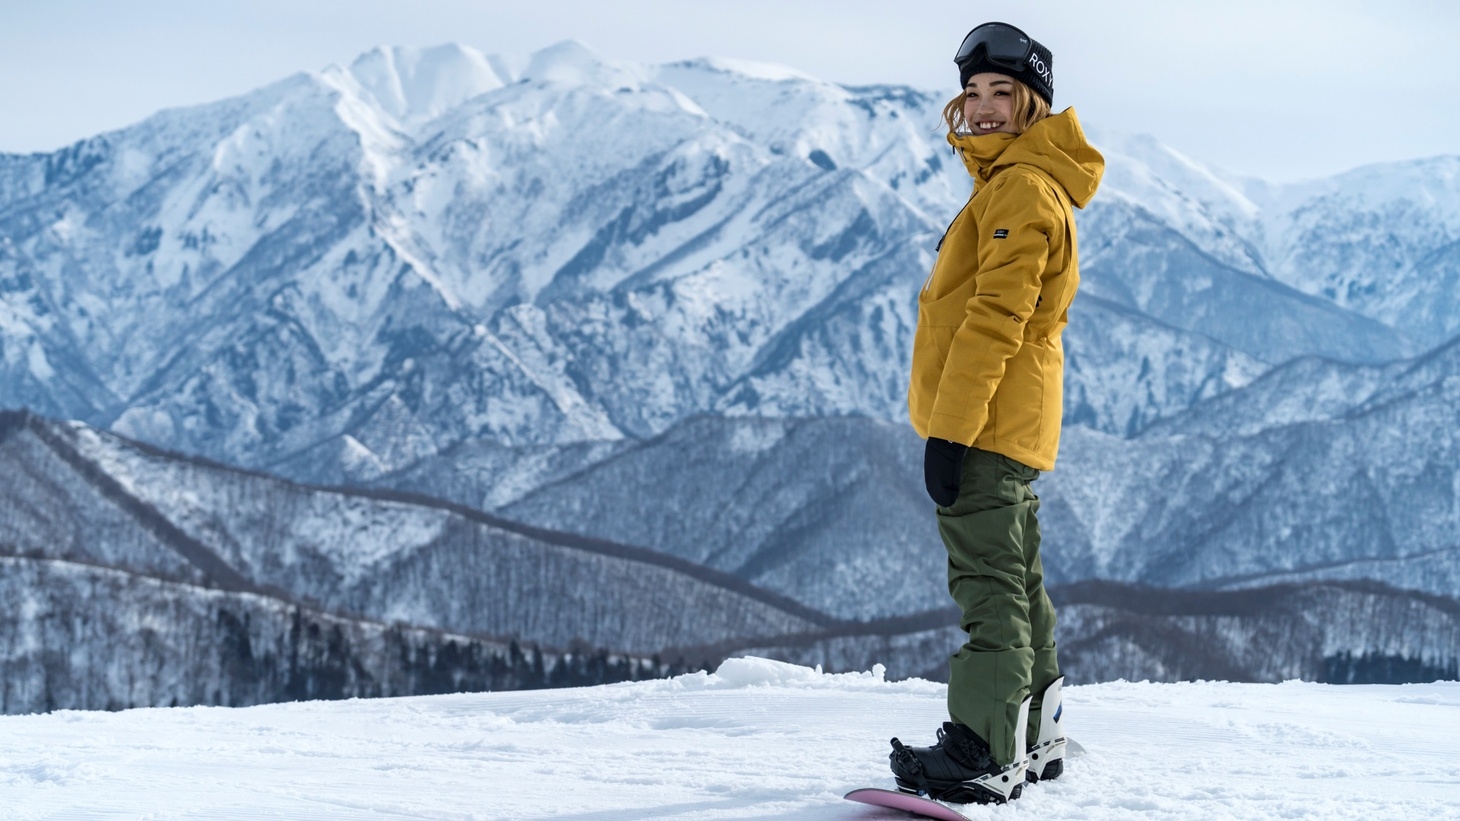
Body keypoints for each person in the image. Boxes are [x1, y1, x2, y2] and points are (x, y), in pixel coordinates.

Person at [889, 21, 1103, 805]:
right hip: (1012, 421)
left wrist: (949, 431)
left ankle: (982, 748)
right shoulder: (1019, 179)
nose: (981, 108)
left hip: (984, 422)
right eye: (973, 92)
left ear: (1031, 103)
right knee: (1017, 574)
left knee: (989, 584)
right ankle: (1034, 736)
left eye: (1001, 94)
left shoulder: (1018, 188)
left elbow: (994, 319)